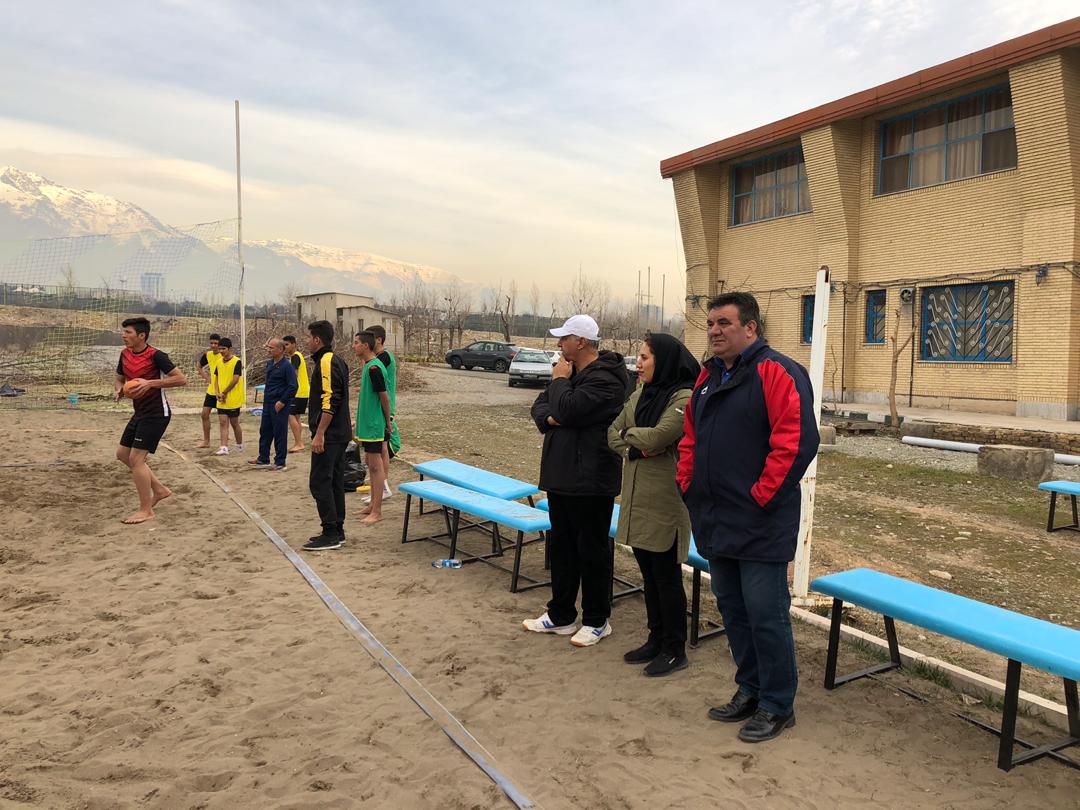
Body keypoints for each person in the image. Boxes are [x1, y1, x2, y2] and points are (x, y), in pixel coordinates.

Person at [677, 292, 819, 743]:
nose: (714, 331)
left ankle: (777, 704)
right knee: (734, 611)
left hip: (760, 521)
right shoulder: (708, 378)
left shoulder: (777, 372)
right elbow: (690, 439)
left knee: (765, 614)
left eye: (724, 323)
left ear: (751, 328)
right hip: (717, 519)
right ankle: (750, 688)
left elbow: (795, 442)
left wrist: (760, 498)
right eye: (710, 324)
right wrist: (688, 483)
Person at [524, 314, 628, 647]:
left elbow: (568, 409)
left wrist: (559, 385)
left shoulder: (607, 379)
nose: (558, 344)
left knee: (592, 550)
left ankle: (597, 620)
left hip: (591, 479)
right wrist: (554, 413)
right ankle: (561, 615)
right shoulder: (570, 373)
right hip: (561, 475)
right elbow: (541, 407)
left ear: (581, 342)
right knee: (561, 547)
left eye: (564, 338)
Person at [608, 333, 700, 676]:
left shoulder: (684, 397)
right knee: (648, 574)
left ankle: (675, 649)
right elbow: (612, 432)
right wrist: (636, 446)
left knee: (666, 577)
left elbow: (661, 435)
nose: (639, 364)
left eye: (645, 357)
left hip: (665, 503)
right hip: (637, 498)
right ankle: (656, 638)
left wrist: (630, 437)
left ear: (664, 361)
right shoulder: (642, 393)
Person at [114, 316, 187, 524]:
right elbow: (119, 378)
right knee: (122, 454)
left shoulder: (157, 356)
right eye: (123, 332)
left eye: (128, 332)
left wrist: (150, 383)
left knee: (136, 460)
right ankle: (160, 490)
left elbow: (181, 379)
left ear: (141, 335)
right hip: (140, 412)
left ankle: (146, 510)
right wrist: (119, 390)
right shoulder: (124, 354)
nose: (123, 335)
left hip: (156, 414)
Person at [304, 320, 351, 551]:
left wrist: (320, 433)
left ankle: (331, 532)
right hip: (338, 433)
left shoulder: (327, 361)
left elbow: (330, 399)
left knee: (320, 482)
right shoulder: (335, 360)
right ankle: (337, 530)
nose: (306, 342)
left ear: (317, 340)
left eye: (308, 337)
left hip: (331, 435)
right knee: (333, 482)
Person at [352, 331, 392, 525]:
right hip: (368, 425)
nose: (354, 346)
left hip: (375, 426)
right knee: (370, 463)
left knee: (376, 467)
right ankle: (371, 506)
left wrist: (388, 422)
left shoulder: (374, 368)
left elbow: (384, 397)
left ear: (365, 346)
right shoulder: (368, 365)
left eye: (356, 343)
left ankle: (377, 511)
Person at [248, 338, 298, 471]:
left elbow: (293, 386)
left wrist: (282, 401)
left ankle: (280, 461)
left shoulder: (287, 366)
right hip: (268, 402)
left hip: (279, 403)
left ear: (281, 350)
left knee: (279, 432)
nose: (268, 350)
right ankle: (263, 457)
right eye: (268, 347)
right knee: (265, 430)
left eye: (271, 348)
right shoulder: (270, 363)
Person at [367, 323, 398, 501]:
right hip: (378, 407)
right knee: (379, 449)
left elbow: (379, 384)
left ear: (378, 340)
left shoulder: (384, 358)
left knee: (382, 448)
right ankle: (379, 487)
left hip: (385, 407)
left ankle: (383, 486)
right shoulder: (378, 358)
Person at [211, 338, 244, 455]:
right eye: (219, 348)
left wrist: (224, 392)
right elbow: (216, 378)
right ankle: (224, 447)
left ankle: (239, 445)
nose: (221, 351)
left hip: (233, 398)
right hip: (221, 398)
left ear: (229, 349)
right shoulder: (219, 362)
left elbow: (235, 379)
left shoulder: (237, 361)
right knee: (223, 422)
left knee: (234, 423)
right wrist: (217, 393)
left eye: (223, 349)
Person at [284, 335, 309, 453]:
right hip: (302, 391)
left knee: (290, 415)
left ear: (293, 344)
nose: (285, 347)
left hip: (298, 392)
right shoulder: (296, 356)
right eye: (283, 345)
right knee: (296, 417)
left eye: (287, 344)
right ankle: (298, 442)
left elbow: (293, 375)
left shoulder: (295, 357)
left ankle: (299, 443)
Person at [196, 333, 221, 448]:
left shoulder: (224, 354)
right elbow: (199, 367)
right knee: (204, 414)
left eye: (216, 343)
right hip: (211, 390)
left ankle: (228, 442)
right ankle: (206, 441)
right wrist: (207, 378)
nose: (213, 345)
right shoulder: (208, 354)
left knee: (226, 419)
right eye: (212, 343)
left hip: (222, 390)